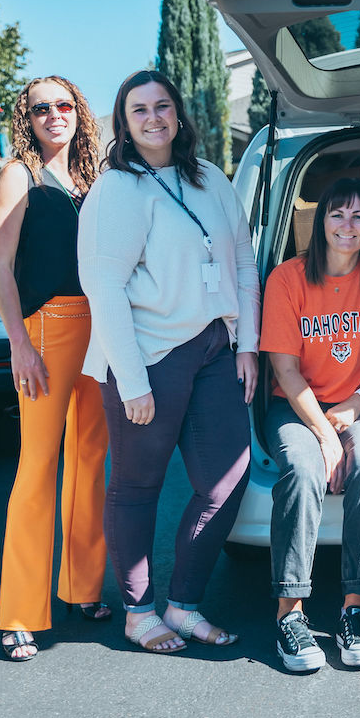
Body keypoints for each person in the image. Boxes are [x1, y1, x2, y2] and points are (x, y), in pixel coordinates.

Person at [77, 69, 260, 654]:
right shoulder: (118, 189)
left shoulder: (210, 179)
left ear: (179, 114)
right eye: (139, 110)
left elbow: (244, 263)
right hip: (148, 355)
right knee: (137, 488)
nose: (153, 118)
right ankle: (138, 612)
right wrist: (131, 382)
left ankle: (183, 604)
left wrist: (248, 344)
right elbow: (103, 288)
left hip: (213, 350)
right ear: (124, 124)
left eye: (162, 106)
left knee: (226, 482)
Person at [0, 76, 110, 662]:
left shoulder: (91, 178)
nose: (54, 115)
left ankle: (82, 588)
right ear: (28, 118)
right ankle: (19, 612)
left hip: (100, 327)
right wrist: (19, 341)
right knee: (37, 466)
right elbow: (1, 265)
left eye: (64, 105)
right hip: (47, 326)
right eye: (42, 108)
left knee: (90, 460)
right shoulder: (19, 175)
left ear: (78, 113)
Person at [259, 178, 360, 673]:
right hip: (296, 404)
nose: (348, 225)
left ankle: (354, 610)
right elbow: (285, 370)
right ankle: (289, 613)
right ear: (320, 223)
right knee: (302, 468)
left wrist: (357, 407)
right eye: (338, 214)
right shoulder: (288, 279)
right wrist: (322, 435)